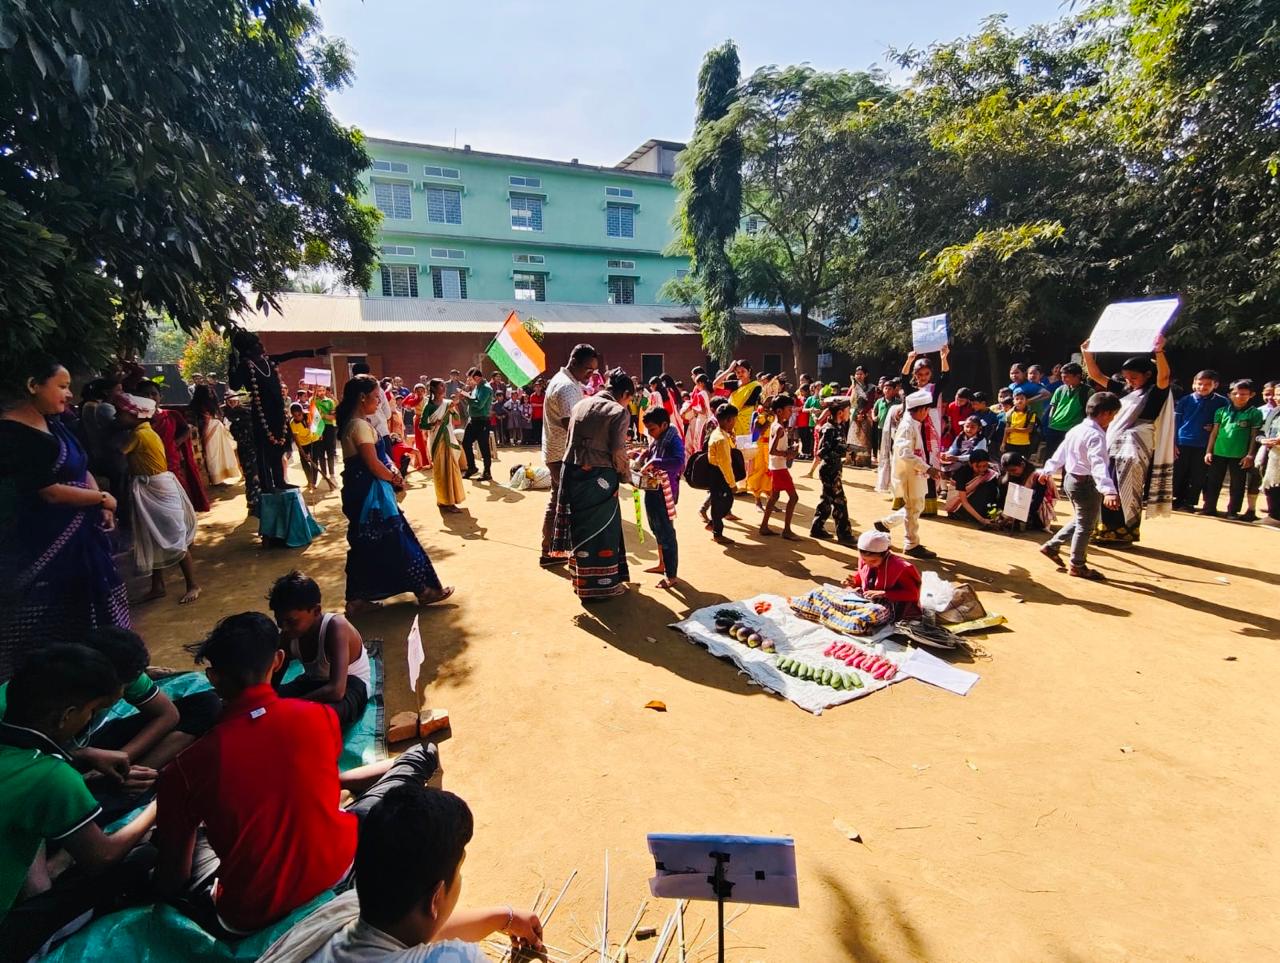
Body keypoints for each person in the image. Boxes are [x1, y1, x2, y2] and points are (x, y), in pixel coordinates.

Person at [154, 613, 440, 939]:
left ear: (213, 677)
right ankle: (417, 759)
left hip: (253, 913)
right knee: (409, 765)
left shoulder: (184, 769)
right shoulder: (318, 716)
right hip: (340, 865)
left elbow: (173, 877)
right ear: (278, 661)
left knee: (163, 852)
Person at [257, 784, 544, 963]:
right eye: (457, 873)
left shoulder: (346, 908)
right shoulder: (457, 960)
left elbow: (419, 934)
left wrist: (502, 918)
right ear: (435, 899)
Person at [0, 646, 158, 961]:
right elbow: (101, 858)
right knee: (141, 862)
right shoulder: (50, 777)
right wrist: (157, 808)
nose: (91, 720)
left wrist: (82, 753)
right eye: (92, 711)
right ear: (67, 716)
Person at [0, 625, 218, 824]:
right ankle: (107, 799)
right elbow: (22, 774)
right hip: (43, 770)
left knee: (205, 703)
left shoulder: (111, 671)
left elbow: (167, 714)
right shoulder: (23, 707)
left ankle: (129, 781)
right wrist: (78, 765)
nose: (123, 693)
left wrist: (120, 760)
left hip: (76, 756)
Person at [0, 361, 130, 679]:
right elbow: (48, 491)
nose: (69, 394)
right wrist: (101, 498)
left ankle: (112, 676)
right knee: (49, 627)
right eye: (61, 386)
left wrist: (100, 503)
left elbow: (80, 466)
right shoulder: (12, 433)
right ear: (33, 384)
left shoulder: (55, 423)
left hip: (83, 541)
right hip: (43, 546)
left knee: (93, 612)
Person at [337, 377, 453, 615]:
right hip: (373, 497)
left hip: (363, 493)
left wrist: (391, 472)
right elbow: (372, 463)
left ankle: (357, 599)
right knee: (398, 542)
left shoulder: (355, 423)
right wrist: (395, 477)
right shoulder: (359, 426)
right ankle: (424, 589)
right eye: (376, 396)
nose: (379, 401)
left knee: (363, 545)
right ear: (362, 398)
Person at [1080, 335, 1174, 543]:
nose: (1129, 381)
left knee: (1127, 487)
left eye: (1134, 377)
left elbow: (1165, 376)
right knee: (1107, 485)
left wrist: (1159, 351)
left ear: (1148, 375)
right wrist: (1086, 352)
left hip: (1135, 447)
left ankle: (1123, 533)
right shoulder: (1124, 390)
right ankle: (1103, 530)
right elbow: (1096, 375)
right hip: (1114, 444)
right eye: (1126, 377)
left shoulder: (1155, 391)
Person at [550, 371, 634, 599]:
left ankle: (582, 581)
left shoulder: (581, 404)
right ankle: (603, 586)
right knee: (603, 529)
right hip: (599, 477)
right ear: (625, 394)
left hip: (572, 472)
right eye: (630, 399)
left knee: (581, 526)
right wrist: (628, 476)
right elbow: (618, 450)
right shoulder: (618, 412)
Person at [117, 393, 201, 605]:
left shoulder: (139, 435)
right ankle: (158, 586)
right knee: (153, 536)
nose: (117, 416)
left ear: (136, 415)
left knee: (173, 537)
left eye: (122, 413)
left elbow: (118, 454)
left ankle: (192, 584)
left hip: (155, 486)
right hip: (152, 486)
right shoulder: (145, 431)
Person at [1036, 391, 1123, 580]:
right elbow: (1098, 463)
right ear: (1106, 413)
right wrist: (1108, 490)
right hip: (1086, 482)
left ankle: (1052, 545)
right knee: (1086, 525)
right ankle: (1077, 564)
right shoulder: (1095, 435)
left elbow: (1061, 452)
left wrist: (1048, 470)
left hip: (1072, 480)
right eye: (1113, 415)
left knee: (1084, 519)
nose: (1112, 419)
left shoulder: (1076, 429)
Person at [228, 332, 330, 493]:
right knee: (263, 449)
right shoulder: (245, 366)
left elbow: (291, 355)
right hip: (261, 413)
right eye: (257, 344)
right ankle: (267, 485)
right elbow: (234, 384)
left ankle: (280, 481)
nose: (262, 346)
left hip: (277, 412)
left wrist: (314, 352)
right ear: (249, 350)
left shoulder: (269, 361)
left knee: (279, 446)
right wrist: (231, 364)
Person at [269, 571, 371, 728]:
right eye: (279, 621)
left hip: (350, 686)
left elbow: (337, 691)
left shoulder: (336, 627)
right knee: (268, 703)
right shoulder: (287, 635)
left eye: (291, 621)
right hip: (314, 682)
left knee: (323, 715)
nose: (284, 627)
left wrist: (291, 705)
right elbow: (271, 686)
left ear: (316, 611)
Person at [539, 345, 599, 567]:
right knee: (564, 504)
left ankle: (552, 551)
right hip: (563, 454)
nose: (591, 375)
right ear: (574, 362)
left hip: (557, 451)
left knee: (558, 501)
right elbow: (573, 426)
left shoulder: (567, 382)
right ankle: (552, 551)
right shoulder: (566, 388)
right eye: (588, 370)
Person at [880, 389, 941, 559]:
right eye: (927, 410)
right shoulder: (908, 426)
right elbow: (905, 453)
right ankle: (911, 543)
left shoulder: (914, 424)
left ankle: (886, 523)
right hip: (909, 474)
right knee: (914, 508)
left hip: (915, 473)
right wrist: (926, 468)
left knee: (916, 506)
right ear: (921, 410)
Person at [138, 380, 211, 513]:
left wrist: (175, 443)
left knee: (178, 502)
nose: (150, 397)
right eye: (145, 394)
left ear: (161, 396)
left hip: (172, 464)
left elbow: (186, 430)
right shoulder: (136, 418)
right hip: (148, 469)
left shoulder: (171, 415)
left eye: (153, 394)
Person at [633, 407, 685, 588]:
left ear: (664, 424)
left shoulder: (673, 439)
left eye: (652, 429)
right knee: (656, 528)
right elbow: (651, 452)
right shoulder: (658, 438)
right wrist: (643, 455)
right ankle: (663, 564)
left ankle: (671, 575)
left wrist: (655, 462)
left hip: (665, 491)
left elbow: (679, 462)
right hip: (652, 489)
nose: (650, 433)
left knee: (667, 533)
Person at [1202, 378, 1264, 520]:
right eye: (1235, 393)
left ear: (1252, 395)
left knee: (1237, 484)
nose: (1239, 397)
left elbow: (1254, 435)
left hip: (1239, 455)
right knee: (1213, 481)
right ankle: (1209, 508)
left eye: (1243, 394)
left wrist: (1250, 455)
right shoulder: (1221, 411)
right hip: (1218, 452)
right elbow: (1214, 432)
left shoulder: (1254, 413)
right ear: (1229, 395)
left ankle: (1232, 511)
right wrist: (1208, 451)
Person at [899, 346, 951, 514]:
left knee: (928, 461)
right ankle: (906, 499)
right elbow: (903, 377)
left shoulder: (934, 390)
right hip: (912, 430)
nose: (922, 378)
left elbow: (946, 377)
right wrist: (909, 360)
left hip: (929, 431)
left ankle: (927, 503)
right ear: (915, 375)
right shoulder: (910, 390)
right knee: (911, 460)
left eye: (926, 374)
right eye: (919, 374)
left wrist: (944, 357)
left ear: (931, 374)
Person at [1171, 369, 1227, 511]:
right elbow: (1175, 422)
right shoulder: (1185, 400)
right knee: (1179, 472)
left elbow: (1224, 423)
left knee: (1198, 475)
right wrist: (1173, 443)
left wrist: (1215, 428)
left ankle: (1189, 502)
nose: (1202, 387)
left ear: (1216, 385)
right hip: (1182, 442)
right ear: (1194, 384)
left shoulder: (1222, 402)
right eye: (1199, 383)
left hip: (1204, 445)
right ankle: (1175, 499)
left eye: (1207, 384)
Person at [842, 530, 922, 621]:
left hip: (891, 604)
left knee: (870, 615)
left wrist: (884, 593)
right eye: (864, 559)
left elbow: (913, 594)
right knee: (831, 596)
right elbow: (863, 576)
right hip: (869, 598)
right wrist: (854, 581)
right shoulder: (864, 560)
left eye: (873, 561)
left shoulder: (899, 568)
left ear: (884, 555)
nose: (868, 564)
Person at [810, 398, 856, 545]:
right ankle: (844, 534)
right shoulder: (829, 429)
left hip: (834, 469)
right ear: (841, 413)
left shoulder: (839, 427)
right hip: (829, 470)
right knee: (840, 502)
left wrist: (846, 449)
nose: (850, 413)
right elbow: (822, 452)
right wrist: (841, 451)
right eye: (848, 410)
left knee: (827, 500)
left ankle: (817, 528)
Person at [759, 394, 800, 539]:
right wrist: (788, 453)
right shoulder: (779, 428)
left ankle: (764, 526)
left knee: (774, 497)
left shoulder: (776, 426)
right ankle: (787, 530)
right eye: (789, 409)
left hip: (776, 466)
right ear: (779, 411)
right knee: (793, 498)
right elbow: (772, 450)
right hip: (779, 467)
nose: (791, 412)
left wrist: (788, 452)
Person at [422, 379, 466, 513]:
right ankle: (443, 500)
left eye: (444, 385)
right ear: (433, 389)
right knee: (441, 470)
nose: (444, 387)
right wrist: (434, 424)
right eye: (441, 386)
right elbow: (422, 425)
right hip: (436, 440)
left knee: (451, 468)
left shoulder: (448, 404)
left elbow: (457, 420)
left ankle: (451, 500)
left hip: (449, 438)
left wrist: (453, 410)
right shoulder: (428, 406)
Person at [190, 384, 241, 486]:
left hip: (217, 431)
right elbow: (200, 422)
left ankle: (221, 479)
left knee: (221, 455)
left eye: (210, 391)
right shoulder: (197, 406)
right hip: (209, 432)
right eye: (207, 392)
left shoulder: (212, 404)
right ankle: (215, 480)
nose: (210, 393)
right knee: (212, 456)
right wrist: (203, 437)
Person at [1042, 362, 1092, 464]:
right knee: (1050, 458)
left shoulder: (1088, 392)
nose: (1063, 379)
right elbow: (1053, 406)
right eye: (1062, 376)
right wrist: (1050, 422)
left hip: (1072, 430)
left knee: (1070, 459)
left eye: (1066, 377)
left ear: (1077, 376)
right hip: (1054, 428)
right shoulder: (1060, 389)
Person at [705, 404, 741, 544]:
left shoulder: (720, 434)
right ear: (728, 420)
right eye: (734, 420)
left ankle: (713, 524)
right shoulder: (720, 439)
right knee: (722, 503)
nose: (735, 423)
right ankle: (717, 532)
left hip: (717, 473)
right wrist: (732, 484)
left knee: (720, 502)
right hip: (719, 474)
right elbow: (725, 464)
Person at [945, 449, 1002, 528]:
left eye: (984, 466)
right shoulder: (962, 473)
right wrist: (982, 520)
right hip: (958, 507)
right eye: (978, 466)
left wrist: (994, 516)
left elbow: (993, 496)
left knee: (990, 487)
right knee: (985, 489)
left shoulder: (989, 473)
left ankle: (991, 516)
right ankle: (978, 517)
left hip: (976, 504)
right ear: (971, 464)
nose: (982, 469)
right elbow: (963, 501)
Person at [999, 451, 1054, 532]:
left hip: (1033, 507)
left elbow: (1037, 499)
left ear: (1022, 465)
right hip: (1014, 507)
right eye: (1008, 471)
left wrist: (1019, 514)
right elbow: (1003, 495)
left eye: (1013, 470)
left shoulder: (1037, 476)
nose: (1011, 473)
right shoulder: (1009, 475)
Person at [457, 368, 494, 481]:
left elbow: (479, 404)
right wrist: (466, 395)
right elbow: (473, 399)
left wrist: (466, 398)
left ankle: (487, 472)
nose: (468, 381)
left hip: (482, 421)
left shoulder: (486, 388)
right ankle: (472, 467)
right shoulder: (477, 386)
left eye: (469, 378)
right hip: (472, 420)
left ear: (476, 377)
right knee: (466, 443)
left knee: (484, 447)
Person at [714, 360, 763, 437]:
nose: (740, 374)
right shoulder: (735, 384)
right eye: (737, 372)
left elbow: (755, 404)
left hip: (746, 422)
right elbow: (715, 384)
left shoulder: (755, 386)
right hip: (732, 421)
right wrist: (729, 369)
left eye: (743, 371)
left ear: (749, 371)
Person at [290, 402, 324, 490]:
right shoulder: (292, 424)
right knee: (305, 463)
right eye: (295, 416)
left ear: (302, 412)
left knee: (314, 461)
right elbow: (296, 440)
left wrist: (314, 427)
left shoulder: (310, 415)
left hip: (314, 440)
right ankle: (309, 480)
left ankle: (313, 482)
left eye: (299, 415)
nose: (298, 417)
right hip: (303, 444)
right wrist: (301, 451)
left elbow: (319, 422)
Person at [1001, 390, 1039, 459]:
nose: (1019, 401)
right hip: (1010, 444)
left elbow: (1029, 430)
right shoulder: (1010, 414)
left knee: (1022, 462)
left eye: (1022, 398)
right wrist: (1003, 443)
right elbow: (1006, 430)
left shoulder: (1031, 414)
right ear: (1013, 401)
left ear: (1026, 400)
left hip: (1024, 444)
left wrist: (1013, 429)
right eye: (1017, 399)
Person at [684, 373, 714, 454]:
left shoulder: (701, 394)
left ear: (701, 383)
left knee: (700, 441)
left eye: (697, 384)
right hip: (710, 418)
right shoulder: (711, 393)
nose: (696, 387)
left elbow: (703, 410)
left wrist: (695, 410)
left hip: (702, 420)